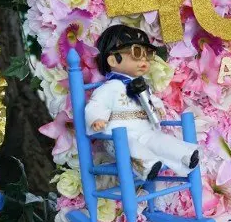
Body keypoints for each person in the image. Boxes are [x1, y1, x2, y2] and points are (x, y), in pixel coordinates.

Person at [85, 25, 200, 179]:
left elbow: (154, 102)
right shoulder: (110, 88)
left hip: (144, 131)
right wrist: (96, 119)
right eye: (136, 53)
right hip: (118, 139)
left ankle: (186, 155)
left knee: (160, 140)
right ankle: (148, 166)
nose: (144, 60)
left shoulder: (141, 86)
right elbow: (96, 104)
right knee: (132, 147)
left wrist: (157, 109)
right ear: (113, 59)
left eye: (147, 55)